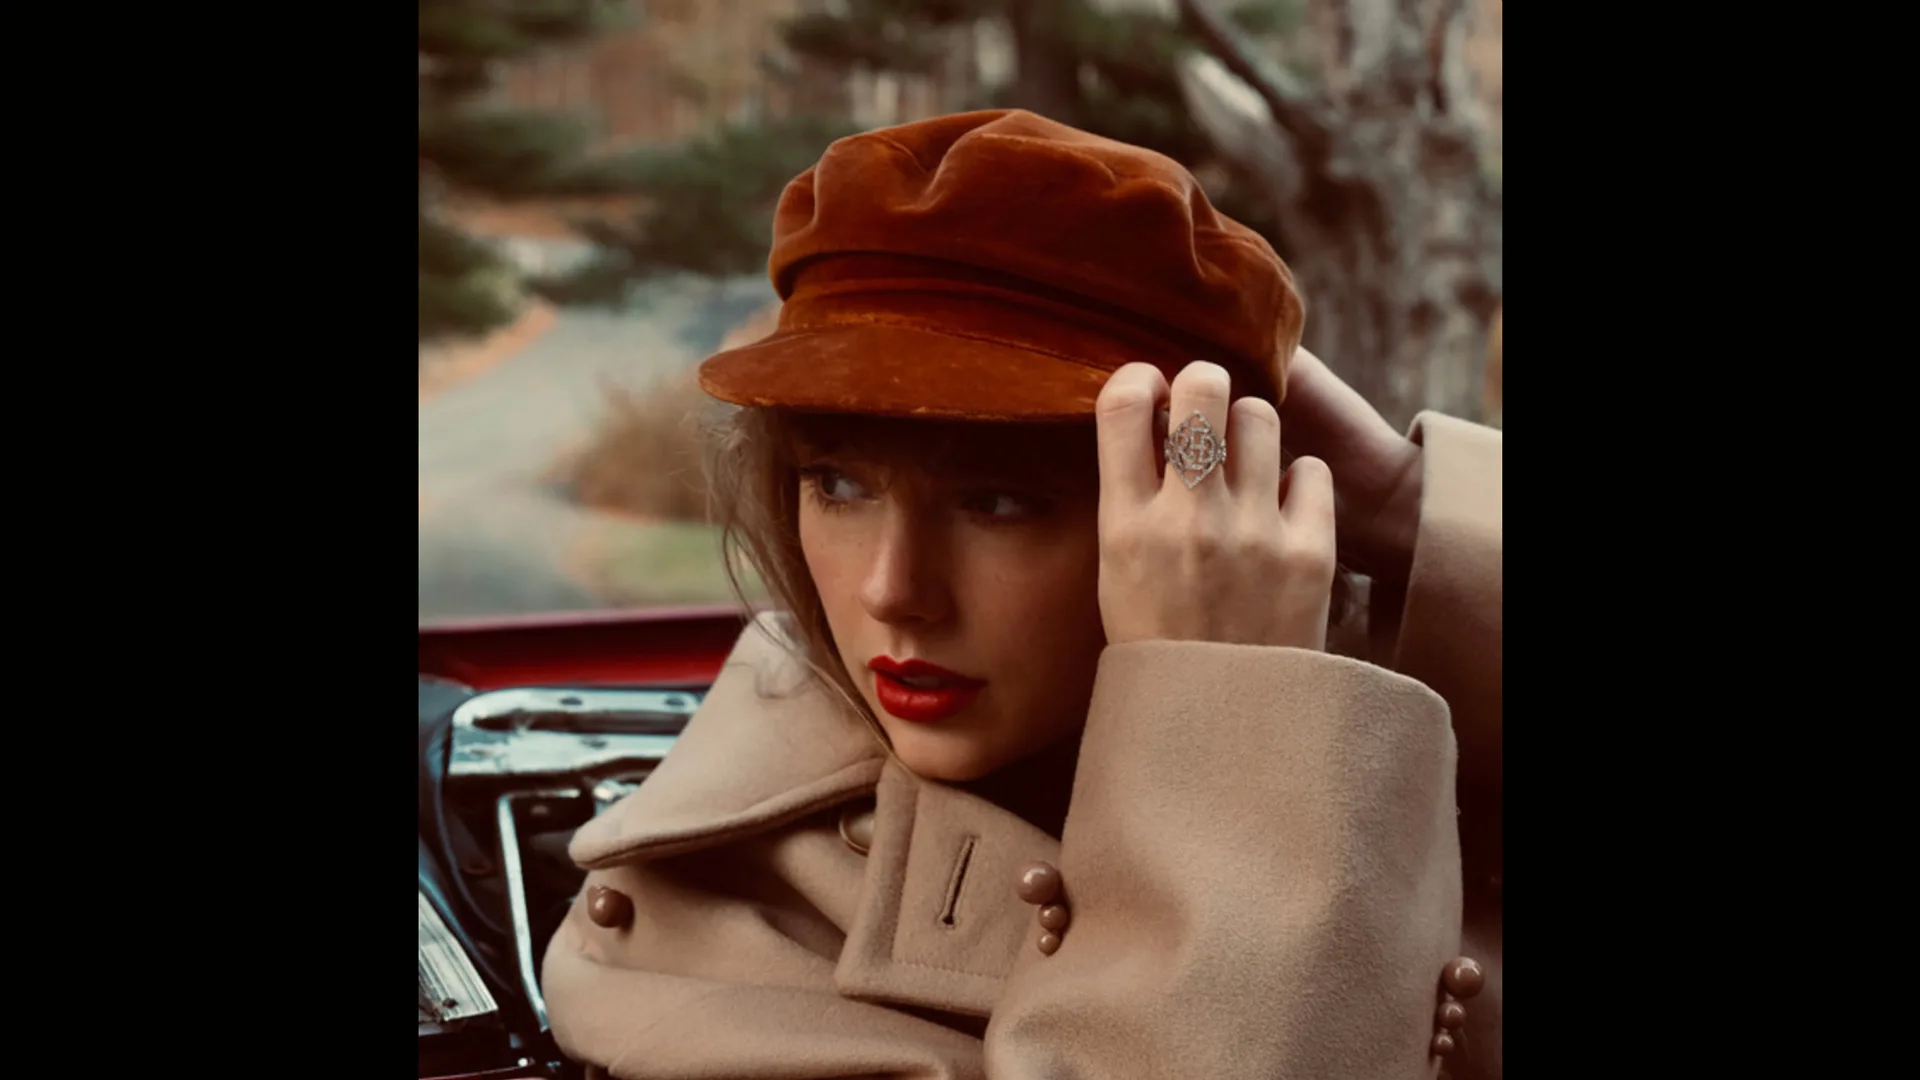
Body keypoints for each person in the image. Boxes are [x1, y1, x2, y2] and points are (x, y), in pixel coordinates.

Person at [541, 108, 1502, 1080]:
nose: (895, 592)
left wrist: (1399, 503)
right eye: (838, 483)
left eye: (997, 500)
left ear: (1192, 504)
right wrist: (1232, 720)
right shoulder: (711, 936)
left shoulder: (1378, 712)